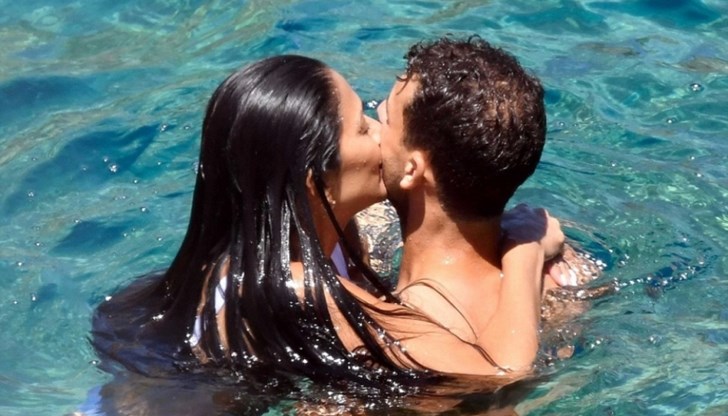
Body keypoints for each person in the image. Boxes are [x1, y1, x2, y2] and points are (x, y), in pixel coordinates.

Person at [92, 53, 558, 391]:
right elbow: (501, 372)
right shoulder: (296, 288)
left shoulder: (324, 232)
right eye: (362, 128)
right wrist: (526, 248)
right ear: (314, 181)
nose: (380, 132)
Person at [375, 36, 561, 373]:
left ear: (413, 169)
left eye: (386, 117)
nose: (373, 120)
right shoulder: (556, 278)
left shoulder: (408, 328)